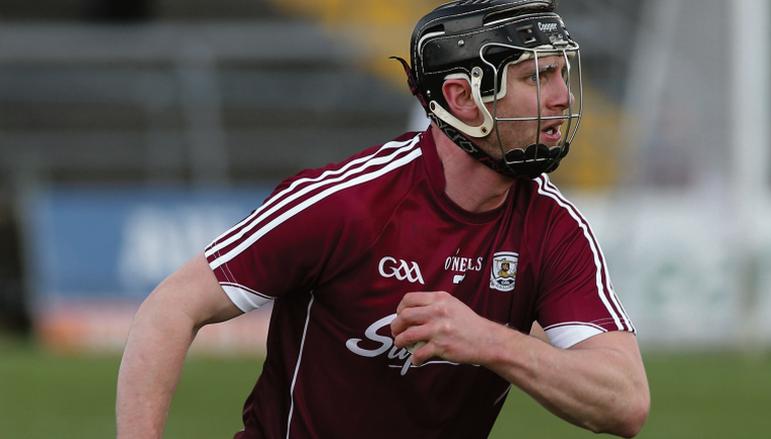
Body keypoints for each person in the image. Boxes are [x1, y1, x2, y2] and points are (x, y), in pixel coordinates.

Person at [116, 1, 650, 437]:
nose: (562, 97)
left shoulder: (554, 228)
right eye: (537, 77)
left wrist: (490, 342)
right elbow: (170, 308)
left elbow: (624, 402)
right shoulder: (345, 202)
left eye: (561, 73)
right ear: (462, 97)